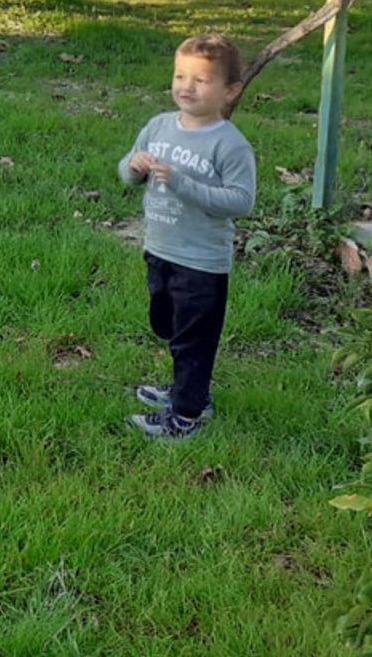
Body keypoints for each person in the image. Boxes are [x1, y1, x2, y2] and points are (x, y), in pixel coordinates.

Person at [118, 33, 257, 440]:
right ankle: (185, 389)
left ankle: (186, 414)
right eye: (181, 76)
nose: (186, 86)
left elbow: (240, 201)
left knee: (192, 340)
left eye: (201, 80)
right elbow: (125, 172)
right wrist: (134, 166)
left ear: (230, 91)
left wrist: (183, 185)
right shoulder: (159, 125)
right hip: (160, 249)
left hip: (201, 262)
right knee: (167, 326)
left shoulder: (229, 145)